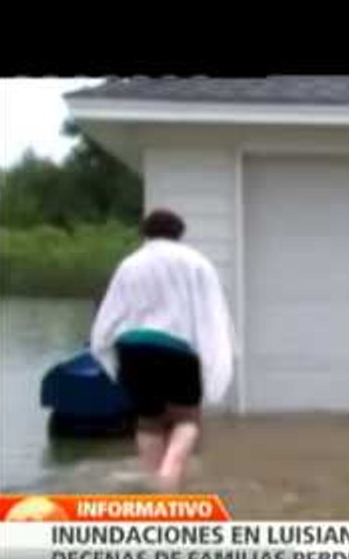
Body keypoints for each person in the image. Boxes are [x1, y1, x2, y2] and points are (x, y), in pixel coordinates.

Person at [90, 209, 239, 490]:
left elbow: (110, 314)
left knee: (148, 422)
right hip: (175, 350)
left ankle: (157, 484)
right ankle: (171, 470)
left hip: (133, 349)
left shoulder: (129, 264)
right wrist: (215, 362)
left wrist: (106, 351)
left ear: (145, 232)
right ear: (179, 233)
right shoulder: (197, 263)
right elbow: (212, 315)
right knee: (187, 418)